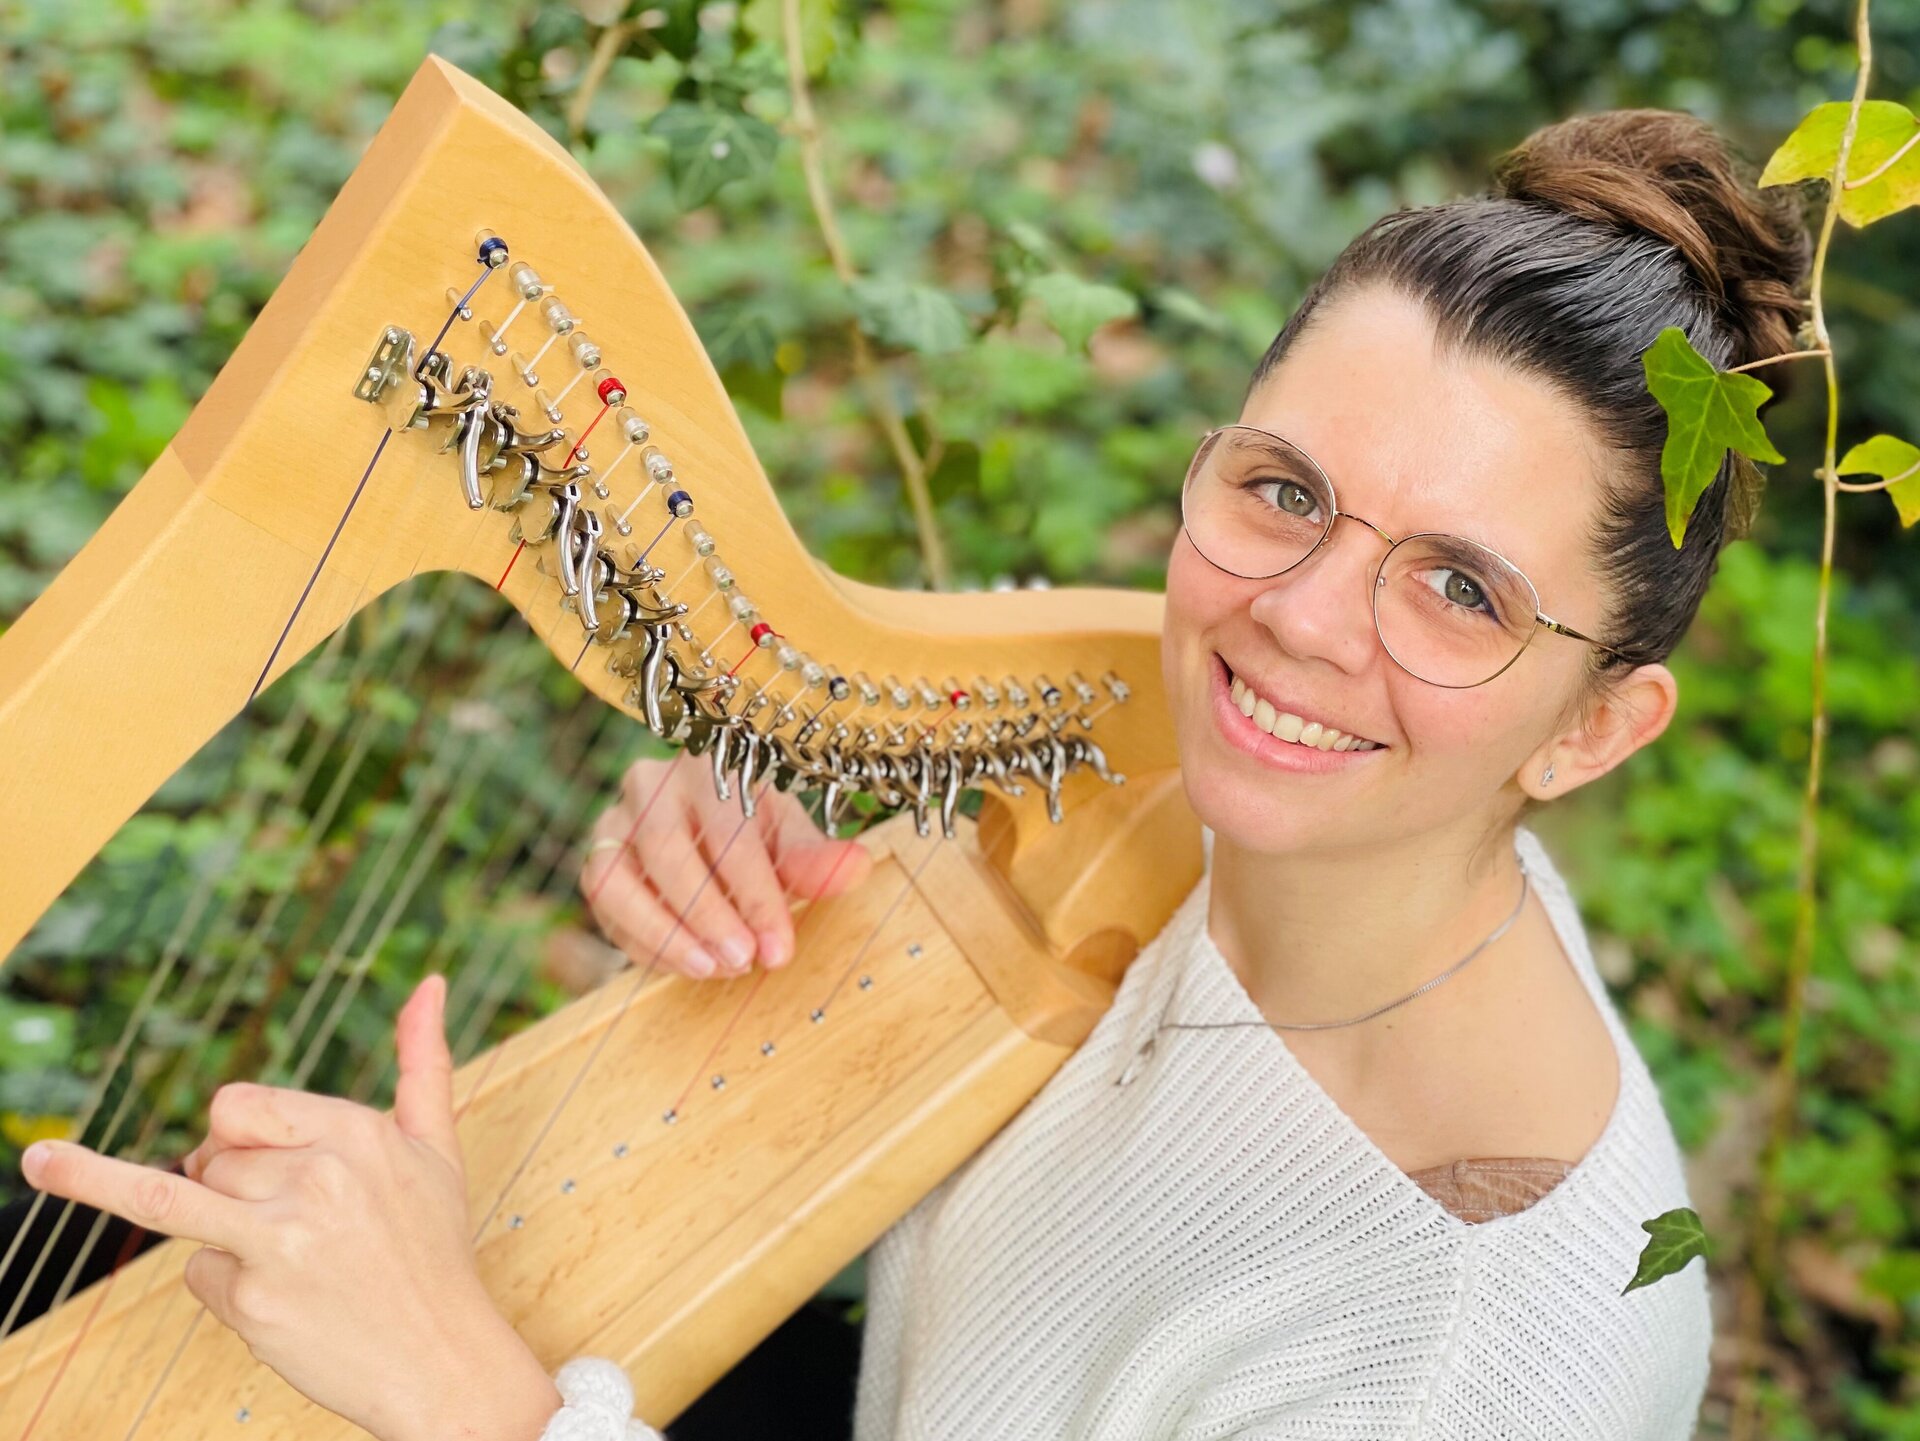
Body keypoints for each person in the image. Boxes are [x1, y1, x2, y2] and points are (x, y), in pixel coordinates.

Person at [21, 106, 1811, 1439]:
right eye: (1284, 490)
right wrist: (725, 824)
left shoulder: (1468, 1362)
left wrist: (473, 1396)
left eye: (1459, 588)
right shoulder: (1192, 789)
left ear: (1594, 727)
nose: (1305, 622)